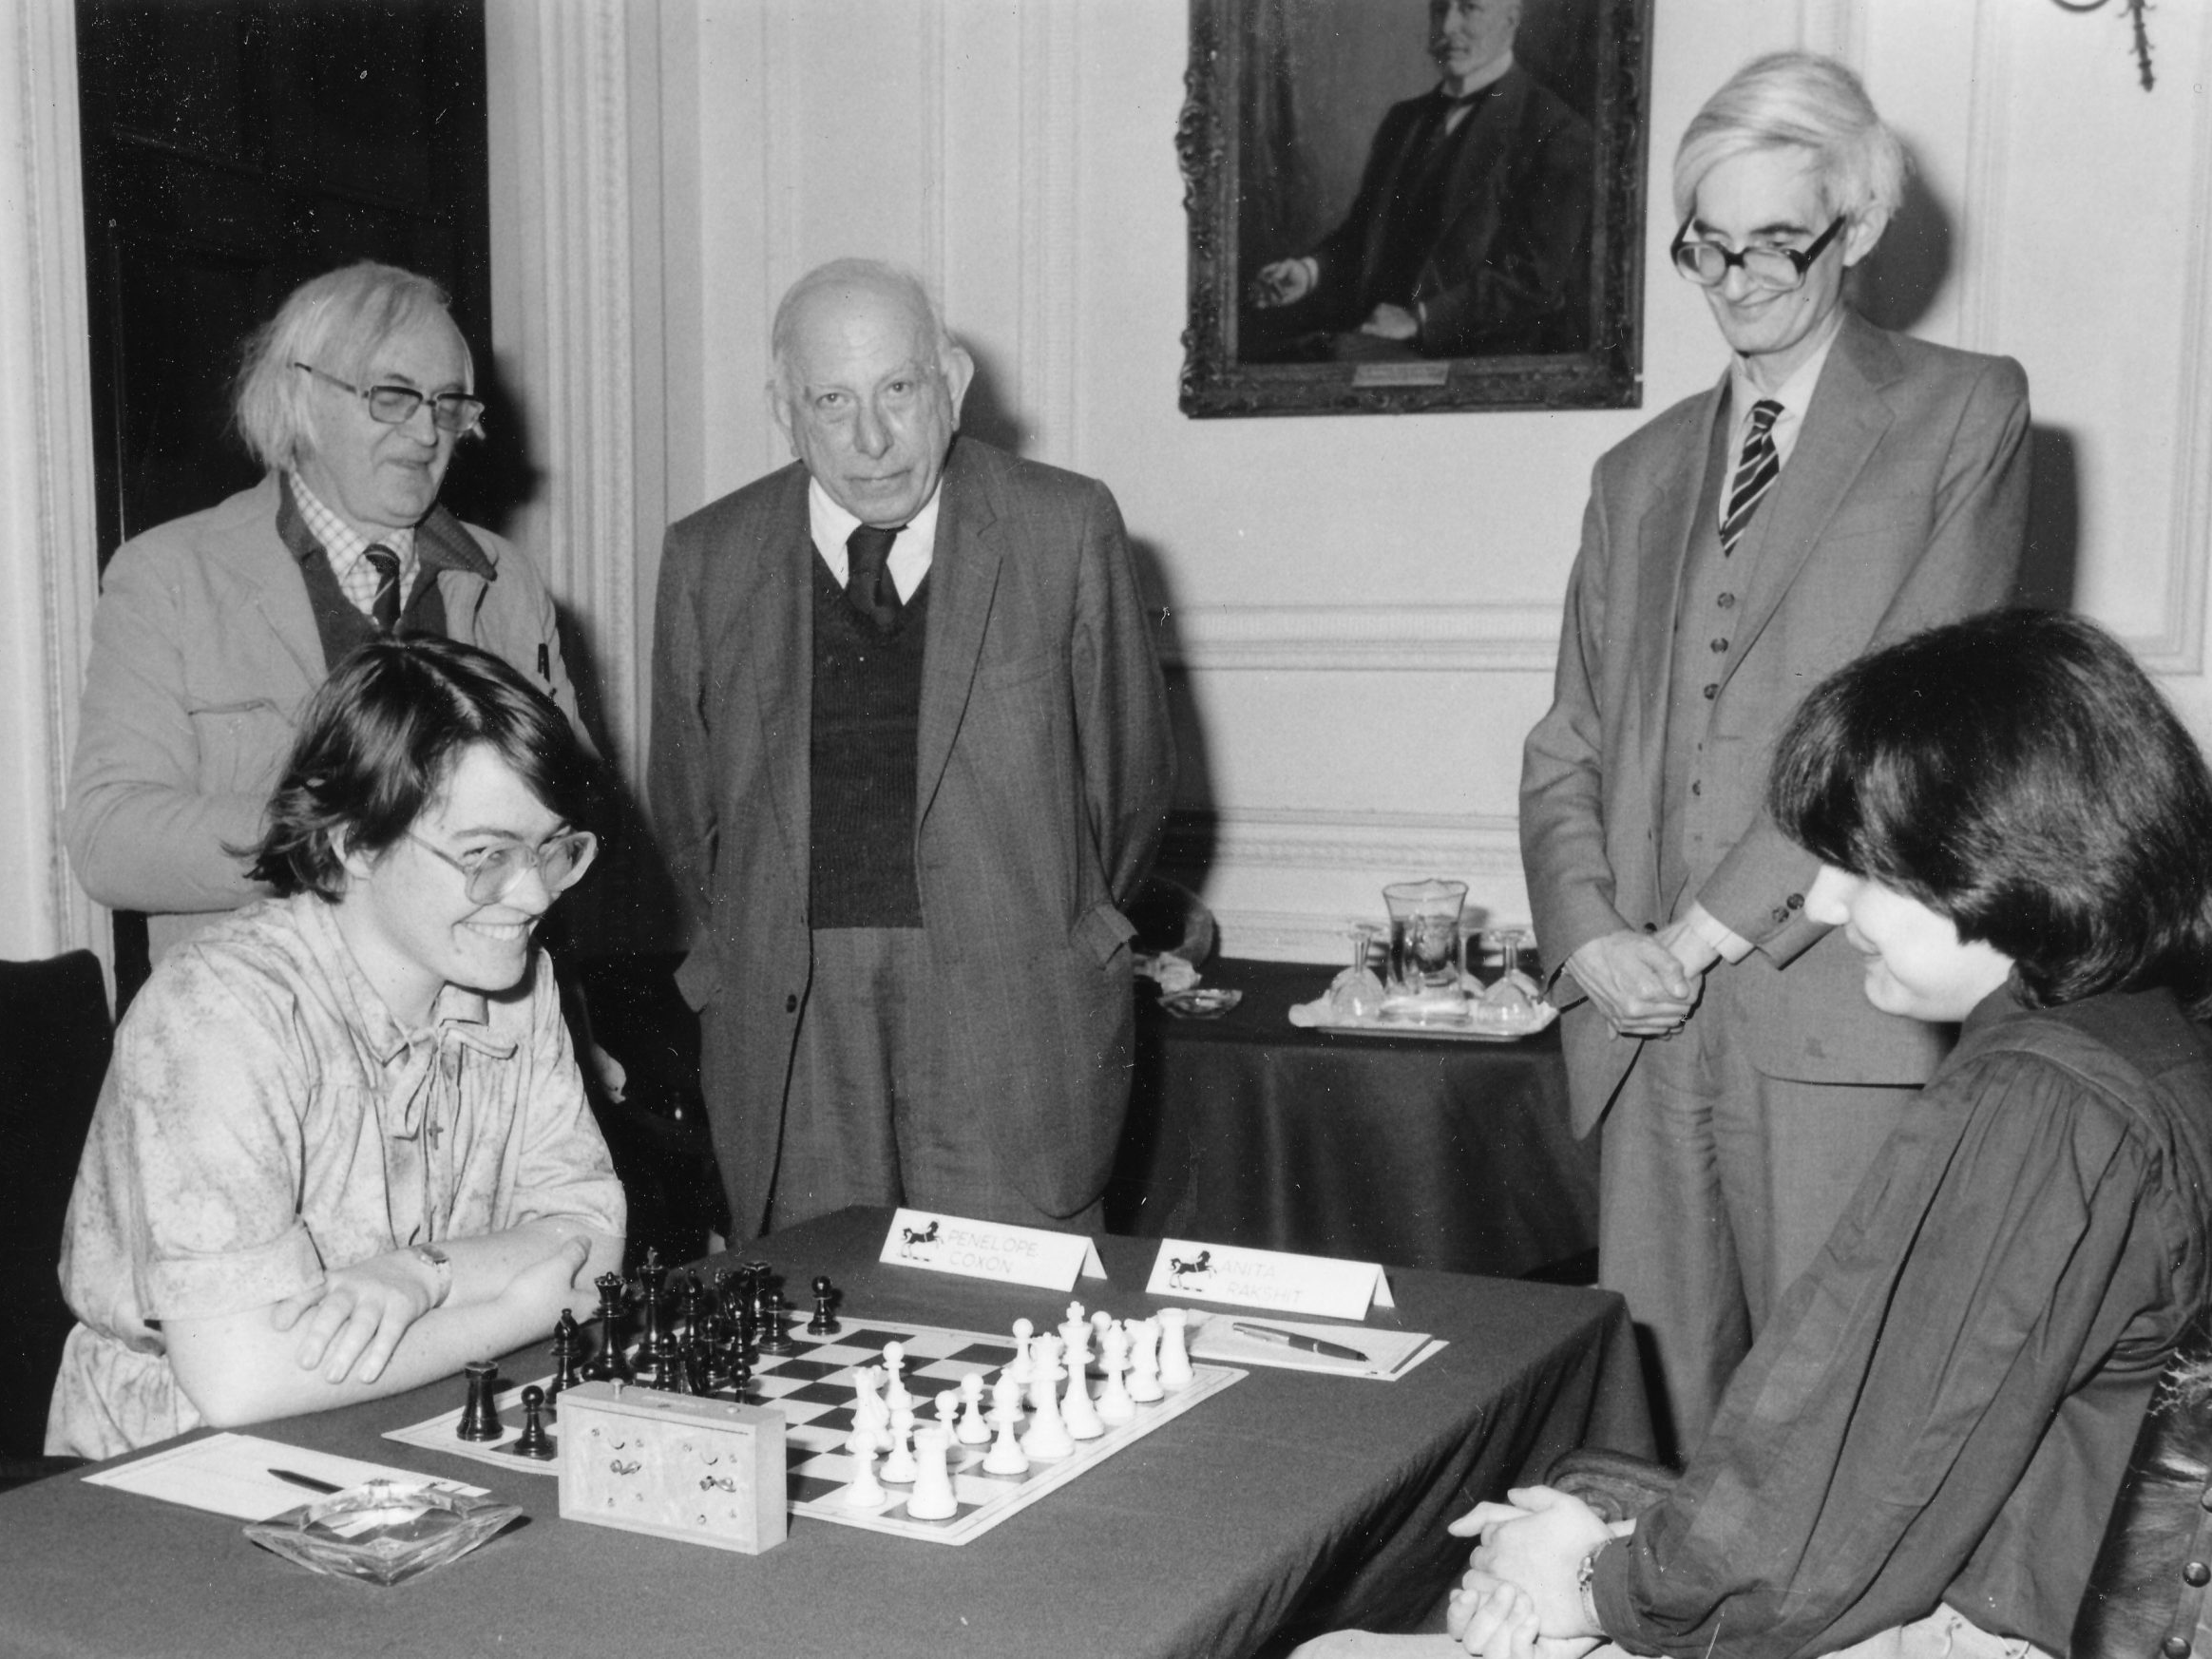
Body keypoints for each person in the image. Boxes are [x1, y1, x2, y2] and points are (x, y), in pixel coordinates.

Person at [1304, 609, 2212, 1659]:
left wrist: (1590, 1581)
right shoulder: (2141, 1039)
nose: (1819, 899)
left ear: (2000, 855)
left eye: (1865, 864)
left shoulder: (2041, 1099)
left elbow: (1830, 1525)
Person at [1517, 51, 2031, 1458]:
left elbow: (1895, 733)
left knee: (1833, 1435)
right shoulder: (1635, 475)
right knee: (1643, 1440)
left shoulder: (1963, 415)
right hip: (1638, 1028)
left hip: (1834, 1023)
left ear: (1855, 229)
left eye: (1776, 245)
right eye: (1706, 245)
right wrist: (1588, 937)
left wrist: (1696, 932)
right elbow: (1564, 742)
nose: (1737, 280)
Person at [648, 258, 1173, 1241]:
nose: (872, 439)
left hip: (1009, 1023)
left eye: (899, 390)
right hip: (793, 1028)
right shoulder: (706, 558)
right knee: (818, 1352)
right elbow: (687, 815)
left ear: (954, 381)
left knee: (1018, 1360)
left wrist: (1036, 924)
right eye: (832, 402)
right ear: (784, 410)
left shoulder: (1064, 528)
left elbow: (1127, 796)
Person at [47, 638, 626, 1460]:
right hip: (177, 1467)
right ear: (354, 842)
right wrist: (514, 1311)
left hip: (402, 1416)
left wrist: (423, 1274)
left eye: (553, 848)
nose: (532, 894)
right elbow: (241, 1380)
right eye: (486, 856)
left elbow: (592, 1235)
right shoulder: (220, 1011)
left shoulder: (515, 983)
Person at [67, 260, 582, 966]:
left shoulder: (505, 582)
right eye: (394, 397)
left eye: (449, 404)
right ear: (300, 396)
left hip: (470, 1041)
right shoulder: (171, 573)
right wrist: (343, 834)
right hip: (261, 1032)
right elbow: (109, 840)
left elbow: (575, 809)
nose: (430, 434)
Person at [1245, 0, 1594, 359]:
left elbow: (1532, 282)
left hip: (1476, 358)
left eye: (1470, 9)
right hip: (1373, 337)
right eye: (1440, 10)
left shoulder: (1557, 132)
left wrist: (1420, 320)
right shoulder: (1403, 121)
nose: (1446, 28)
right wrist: (1308, 272)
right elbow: (1363, 238)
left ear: (1512, 19)